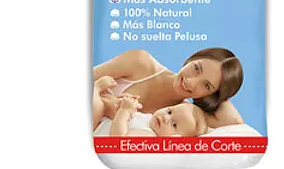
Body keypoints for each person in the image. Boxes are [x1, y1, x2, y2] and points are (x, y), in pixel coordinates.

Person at [93, 48, 244, 128]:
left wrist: (221, 94)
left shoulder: (182, 115)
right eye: (196, 68)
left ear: (210, 95)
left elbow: (235, 123)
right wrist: (105, 102)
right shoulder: (140, 62)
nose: (191, 82)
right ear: (191, 59)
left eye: (206, 85)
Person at [93, 79, 208, 137]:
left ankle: (96, 88)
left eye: (174, 125)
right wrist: (124, 102)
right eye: (169, 111)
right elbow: (119, 119)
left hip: (94, 127)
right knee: (106, 99)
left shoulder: (149, 136)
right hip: (98, 121)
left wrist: (125, 111)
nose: (166, 118)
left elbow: (119, 139)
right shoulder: (148, 120)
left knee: (96, 100)